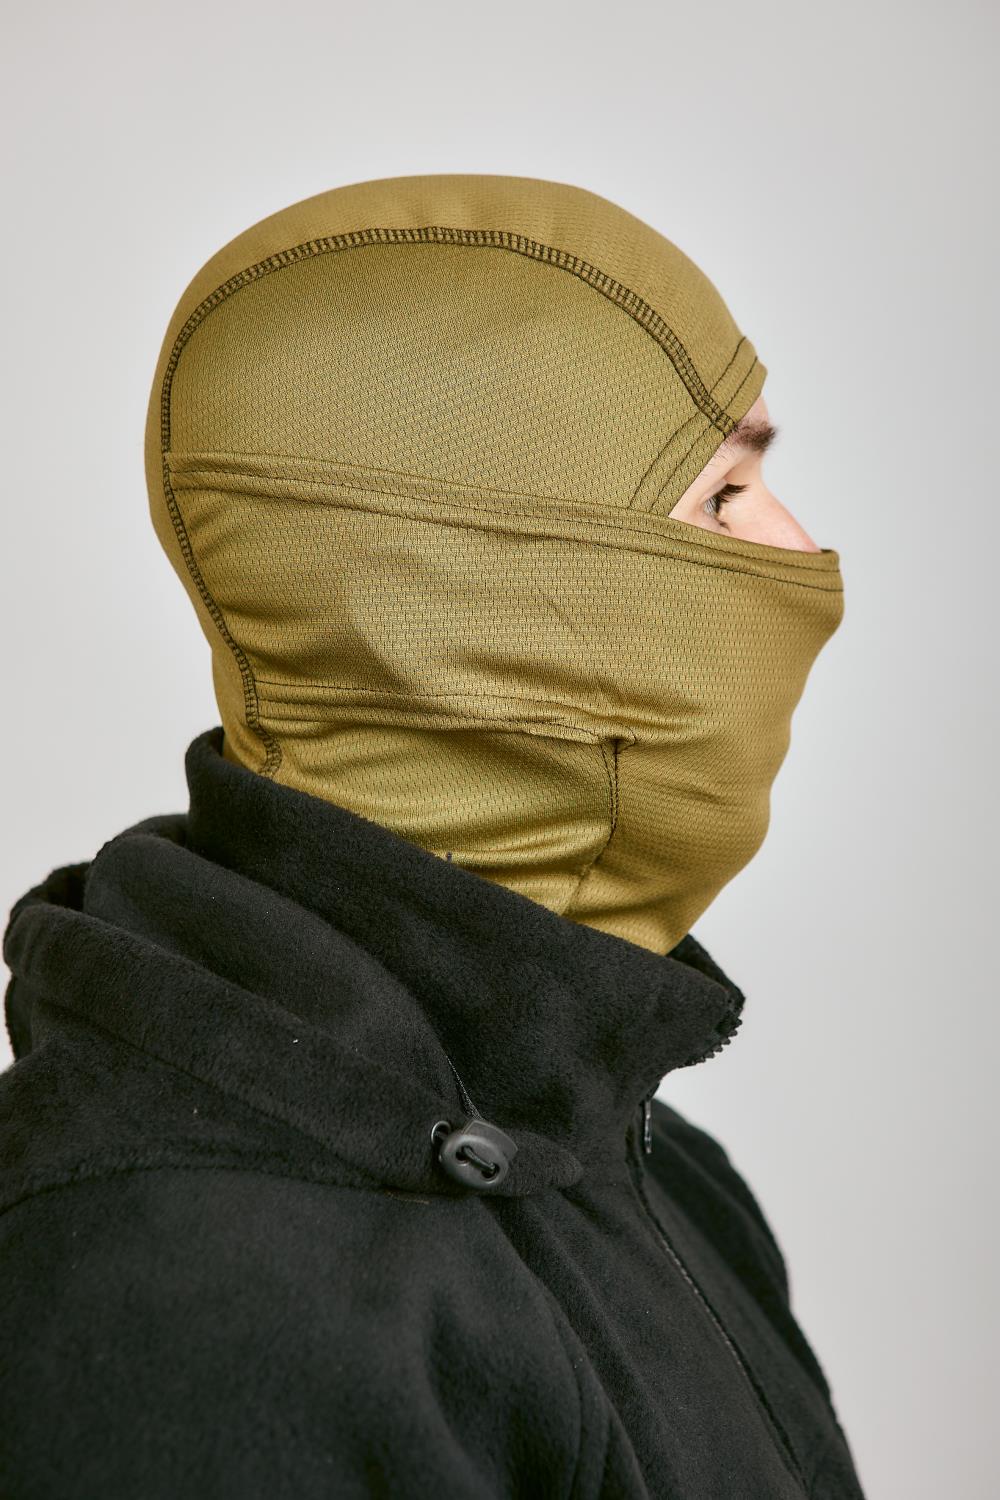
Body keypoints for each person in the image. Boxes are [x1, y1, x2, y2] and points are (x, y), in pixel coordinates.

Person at [0, 173, 867, 1497]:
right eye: (723, 495)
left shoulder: (656, 1169)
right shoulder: (176, 1299)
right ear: (467, 594)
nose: (804, 557)